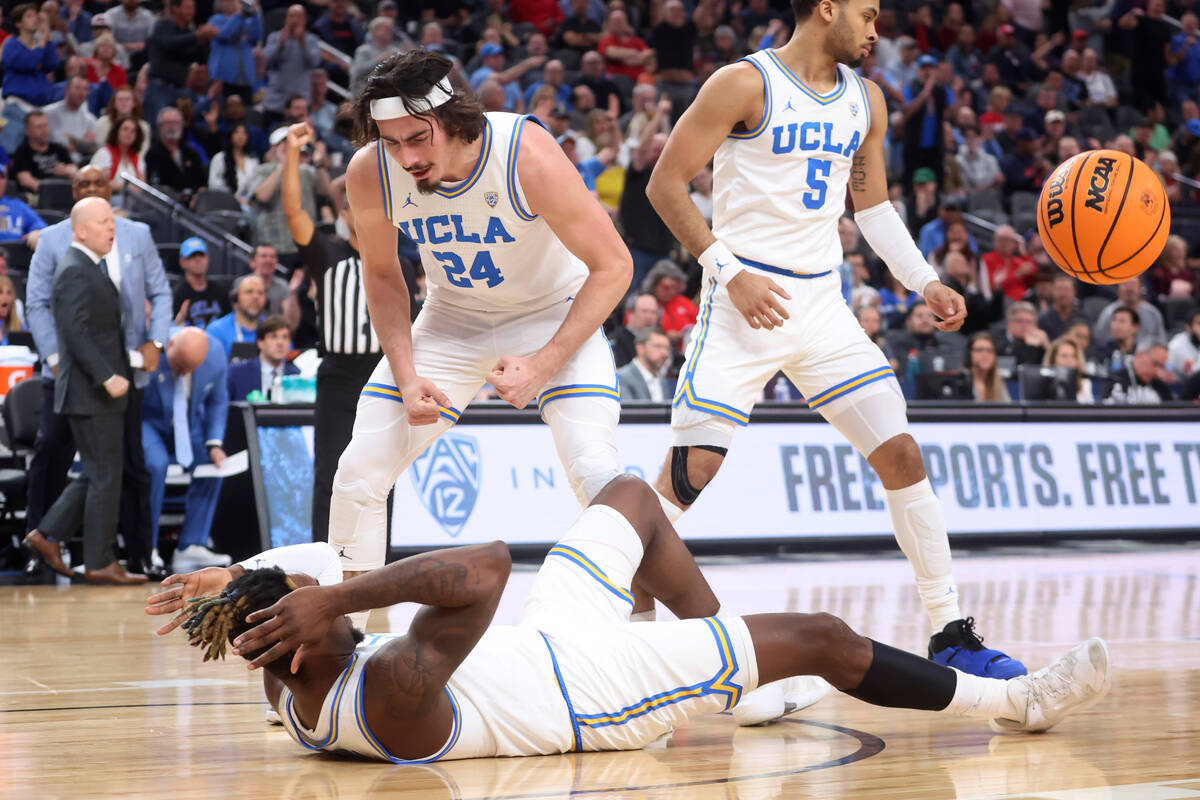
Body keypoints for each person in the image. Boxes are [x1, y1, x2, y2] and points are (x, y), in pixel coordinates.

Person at [641, 0, 1025, 728]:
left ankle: (949, 634)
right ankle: (620, 619)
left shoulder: (866, 98)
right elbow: (666, 183)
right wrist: (729, 270)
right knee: (690, 477)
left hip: (822, 309)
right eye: (869, 13)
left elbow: (871, 206)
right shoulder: (742, 83)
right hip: (741, 302)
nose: (878, 29)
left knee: (902, 452)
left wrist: (925, 281)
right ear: (827, 8)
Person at [146, 475, 1112, 763]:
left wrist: (242, 575)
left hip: (542, 642)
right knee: (822, 637)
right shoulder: (390, 696)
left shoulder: (291, 674)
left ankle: (740, 677)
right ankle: (1013, 701)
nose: (335, 595)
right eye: (322, 608)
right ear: (307, 637)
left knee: (631, 498)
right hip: (591, 694)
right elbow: (485, 567)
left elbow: (308, 569)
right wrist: (342, 594)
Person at [334, 49, 631, 598]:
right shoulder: (370, 171)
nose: (405, 156)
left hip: (551, 315)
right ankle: (343, 651)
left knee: (597, 474)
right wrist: (404, 374)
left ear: (453, 119)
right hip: (450, 319)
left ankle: (643, 638)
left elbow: (615, 266)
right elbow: (381, 274)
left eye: (418, 138)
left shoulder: (524, 153)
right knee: (357, 478)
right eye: (391, 141)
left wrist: (545, 363)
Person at [24, 167, 171, 578]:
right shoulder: (74, 268)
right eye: (105, 223)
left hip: (100, 387)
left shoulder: (88, 264)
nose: (113, 228)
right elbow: (74, 332)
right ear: (82, 229)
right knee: (104, 474)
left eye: (112, 221)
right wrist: (107, 376)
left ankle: (51, 536)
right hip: (92, 389)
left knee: (99, 472)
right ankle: (100, 560)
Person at [279, 123, 387, 544]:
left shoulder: (399, 259)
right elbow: (293, 213)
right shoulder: (327, 254)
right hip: (339, 375)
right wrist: (293, 154)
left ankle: (375, 564)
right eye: (353, 207)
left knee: (379, 477)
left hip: (384, 374)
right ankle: (323, 564)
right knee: (329, 473)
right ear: (343, 216)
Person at [143, 326, 231, 573]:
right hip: (149, 421)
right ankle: (148, 547)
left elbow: (218, 402)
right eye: (180, 365)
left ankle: (192, 544)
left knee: (212, 464)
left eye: (190, 368)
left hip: (189, 424)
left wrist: (214, 443)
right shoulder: (152, 347)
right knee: (156, 464)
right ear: (169, 346)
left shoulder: (214, 353)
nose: (183, 372)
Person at [227, 315, 299, 400]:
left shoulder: (297, 376)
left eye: (285, 337)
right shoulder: (237, 373)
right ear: (260, 343)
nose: (280, 342)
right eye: (273, 337)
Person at [146, 106, 208, 198]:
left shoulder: (191, 153)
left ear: (181, 125)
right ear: (159, 126)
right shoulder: (152, 155)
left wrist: (198, 196)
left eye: (175, 122)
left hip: (193, 204)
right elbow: (153, 185)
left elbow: (203, 184)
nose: (172, 126)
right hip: (165, 204)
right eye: (167, 123)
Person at [12, 111, 77, 197]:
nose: (44, 130)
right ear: (28, 131)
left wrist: (66, 171)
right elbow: (25, 180)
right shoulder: (22, 151)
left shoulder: (58, 148)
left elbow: (75, 170)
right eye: (39, 127)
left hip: (65, 194)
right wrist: (50, 191)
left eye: (45, 126)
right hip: (39, 197)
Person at [173, 238, 230, 330]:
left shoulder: (220, 290)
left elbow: (229, 322)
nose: (198, 260)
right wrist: (177, 325)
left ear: (207, 258)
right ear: (182, 262)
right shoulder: (177, 294)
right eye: (192, 256)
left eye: (201, 255)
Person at [207, 274, 266, 359]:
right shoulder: (216, 331)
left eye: (260, 293)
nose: (255, 297)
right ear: (235, 297)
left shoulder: (274, 330)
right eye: (249, 292)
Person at [89, 116, 145, 193]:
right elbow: (99, 183)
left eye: (133, 131)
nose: (129, 133)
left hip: (132, 201)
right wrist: (125, 187)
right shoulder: (104, 154)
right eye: (125, 129)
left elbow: (143, 186)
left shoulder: (138, 158)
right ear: (116, 132)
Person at [618, 328, 673, 402]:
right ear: (640, 348)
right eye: (658, 346)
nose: (665, 353)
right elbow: (629, 412)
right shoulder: (622, 378)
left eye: (667, 348)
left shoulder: (663, 381)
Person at [609, 292, 660, 367]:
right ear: (630, 313)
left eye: (653, 312)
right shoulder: (616, 340)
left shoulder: (662, 340)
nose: (649, 316)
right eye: (644, 311)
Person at [0, 165, 46, 247]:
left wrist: (36, 234)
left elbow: (41, 228)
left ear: (5, 181)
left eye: (1, 178)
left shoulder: (19, 206)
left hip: (16, 256)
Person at [1044, 336, 1093, 403]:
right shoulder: (1042, 384)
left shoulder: (1085, 383)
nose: (1070, 360)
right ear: (1053, 360)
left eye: (1073, 356)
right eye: (1064, 356)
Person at [965, 332, 1010, 402]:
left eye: (989, 351)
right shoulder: (962, 381)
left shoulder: (998, 382)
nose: (985, 355)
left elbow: (1009, 410)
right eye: (979, 350)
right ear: (969, 355)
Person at [1166, 307, 1200, 378]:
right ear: (1188, 327)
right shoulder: (1177, 346)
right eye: (1199, 324)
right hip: (1176, 386)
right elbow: (1195, 374)